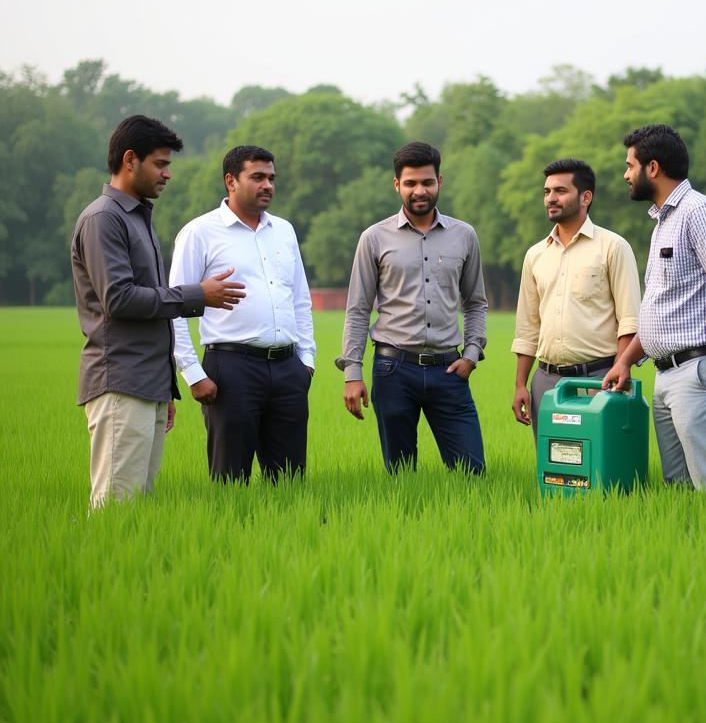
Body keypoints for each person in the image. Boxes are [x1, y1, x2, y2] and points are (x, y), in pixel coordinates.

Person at [71, 115, 245, 508]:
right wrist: (196, 294)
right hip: (120, 381)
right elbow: (119, 299)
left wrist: (164, 389)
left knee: (139, 511)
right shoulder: (104, 219)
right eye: (160, 164)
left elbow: (147, 302)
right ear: (130, 160)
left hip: (145, 383)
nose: (168, 174)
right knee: (118, 507)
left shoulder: (137, 218)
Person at [603, 124, 706, 492]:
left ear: (652, 168)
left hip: (699, 374)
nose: (626, 175)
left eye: (630, 165)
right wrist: (624, 361)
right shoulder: (663, 223)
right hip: (666, 376)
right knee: (681, 492)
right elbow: (664, 312)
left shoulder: (698, 212)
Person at [168, 145, 316, 483]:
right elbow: (173, 307)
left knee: (290, 482)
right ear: (231, 180)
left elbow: (300, 300)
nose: (268, 185)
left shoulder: (284, 230)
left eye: (271, 178)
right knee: (230, 480)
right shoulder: (199, 233)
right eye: (258, 177)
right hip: (231, 370)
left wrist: (306, 361)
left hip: (288, 370)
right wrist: (192, 372)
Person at [338, 141, 487, 473]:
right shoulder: (374, 238)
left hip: (450, 371)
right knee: (401, 475)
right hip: (393, 369)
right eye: (410, 183)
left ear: (439, 182)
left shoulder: (464, 236)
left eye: (427, 182)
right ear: (397, 185)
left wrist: (471, 354)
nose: (419, 190)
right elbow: (358, 309)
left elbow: (475, 303)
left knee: (472, 472)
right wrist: (352, 373)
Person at [511, 158, 641, 438]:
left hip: (598, 378)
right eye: (546, 192)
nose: (550, 199)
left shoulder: (613, 247)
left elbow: (629, 319)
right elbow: (528, 327)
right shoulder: (535, 255)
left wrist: (621, 367)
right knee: (553, 466)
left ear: (586, 197)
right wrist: (521, 384)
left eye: (560, 191)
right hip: (545, 382)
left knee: (599, 466)